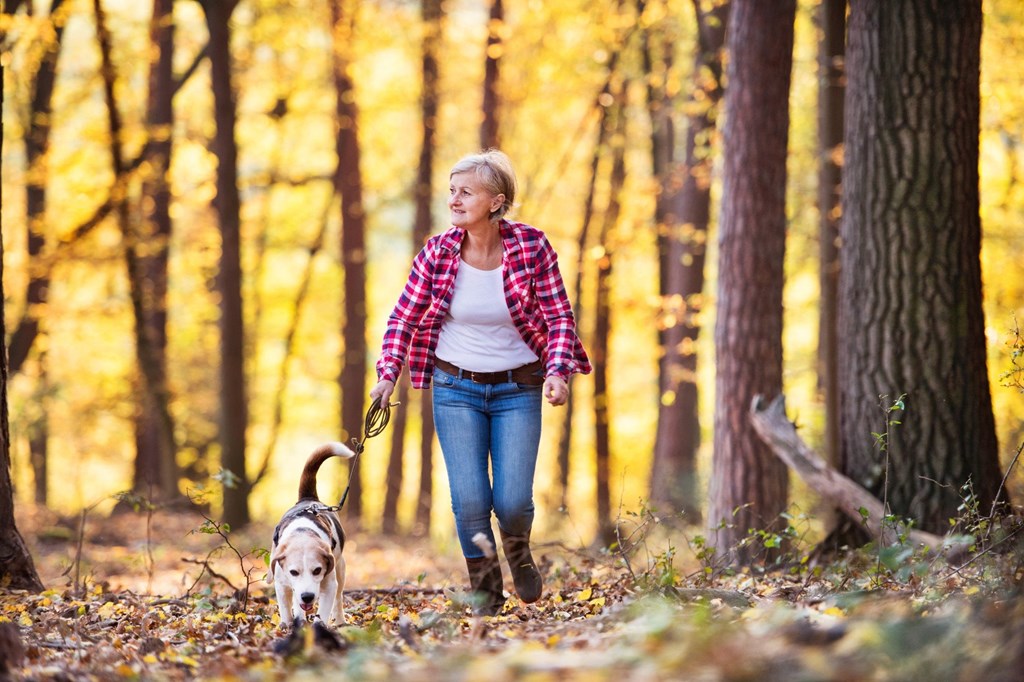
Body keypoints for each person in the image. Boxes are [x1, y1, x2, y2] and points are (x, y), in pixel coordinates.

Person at [370, 149, 591, 615]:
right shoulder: (437, 252)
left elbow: (559, 317)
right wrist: (388, 375)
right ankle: (487, 593)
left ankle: (518, 550)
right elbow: (402, 318)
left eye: (465, 191)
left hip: (518, 387)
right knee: (469, 500)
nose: (454, 199)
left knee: (511, 502)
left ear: (495, 201)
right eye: (451, 190)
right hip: (456, 389)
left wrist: (557, 372)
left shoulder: (532, 247)